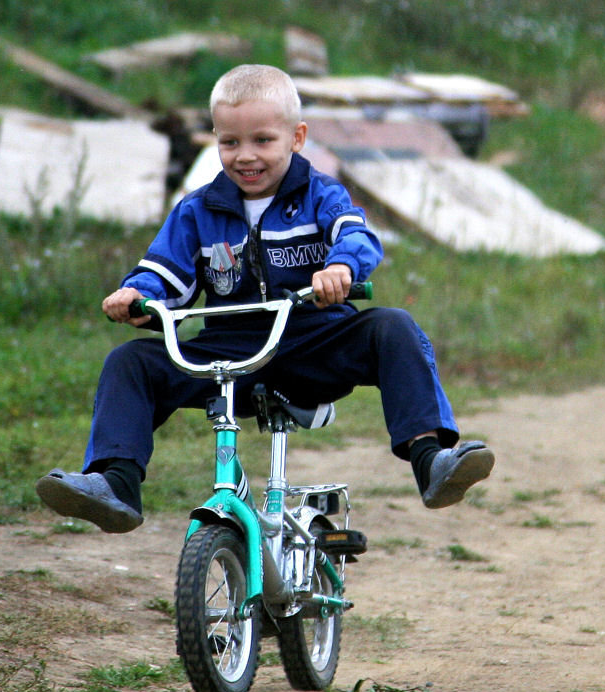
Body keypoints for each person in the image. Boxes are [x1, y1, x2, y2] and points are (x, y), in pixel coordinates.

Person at [36, 64, 493, 533]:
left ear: (296, 137)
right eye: (229, 142)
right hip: (230, 351)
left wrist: (339, 268)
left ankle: (430, 458)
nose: (244, 156)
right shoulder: (198, 210)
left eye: (262, 141)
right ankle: (115, 483)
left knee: (392, 326)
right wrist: (138, 296)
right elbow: (165, 272)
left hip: (313, 342)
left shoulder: (320, 195)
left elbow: (356, 234)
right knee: (130, 362)